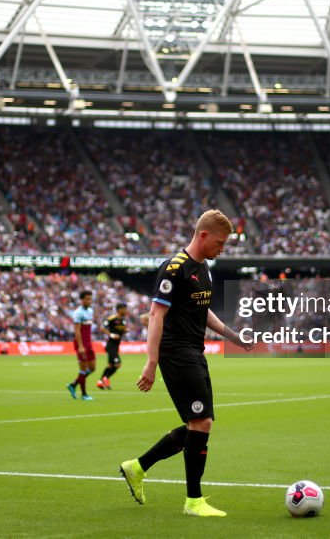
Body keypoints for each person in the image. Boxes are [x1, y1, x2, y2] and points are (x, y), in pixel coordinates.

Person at [118, 210, 249, 517]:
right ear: (203, 235)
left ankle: (137, 467)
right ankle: (193, 501)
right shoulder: (174, 269)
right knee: (201, 423)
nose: (223, 248)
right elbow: (156, 315)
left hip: (194, 352)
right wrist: (151, 362)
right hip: (176, 353)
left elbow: (203, 312)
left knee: (197, 424)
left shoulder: (205, 269)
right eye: (219, 242)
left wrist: (232, 335)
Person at [66, 290, 96, 401]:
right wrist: (80, 346)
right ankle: (84, 394)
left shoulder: (90, 311)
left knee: (92, 368)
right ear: (82, 300)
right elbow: (77, 331)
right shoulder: (78, 313)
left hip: (89, 343)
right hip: (81, 344)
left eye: (90, 298)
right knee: (83, 370)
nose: (89, 301)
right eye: (87, 299)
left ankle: (73, 385)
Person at [97, 303, 128, 390]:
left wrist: (125, 331)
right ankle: (105, 378)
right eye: (124, 309)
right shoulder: (112, 319)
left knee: (110, 365)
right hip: (111, 345)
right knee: (117, 364)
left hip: (116, 345)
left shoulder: (123, 320)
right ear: (119, 309)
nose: (126, 311)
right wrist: (110, 334)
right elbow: (102, 328)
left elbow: (120, 330)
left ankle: (100, 382)